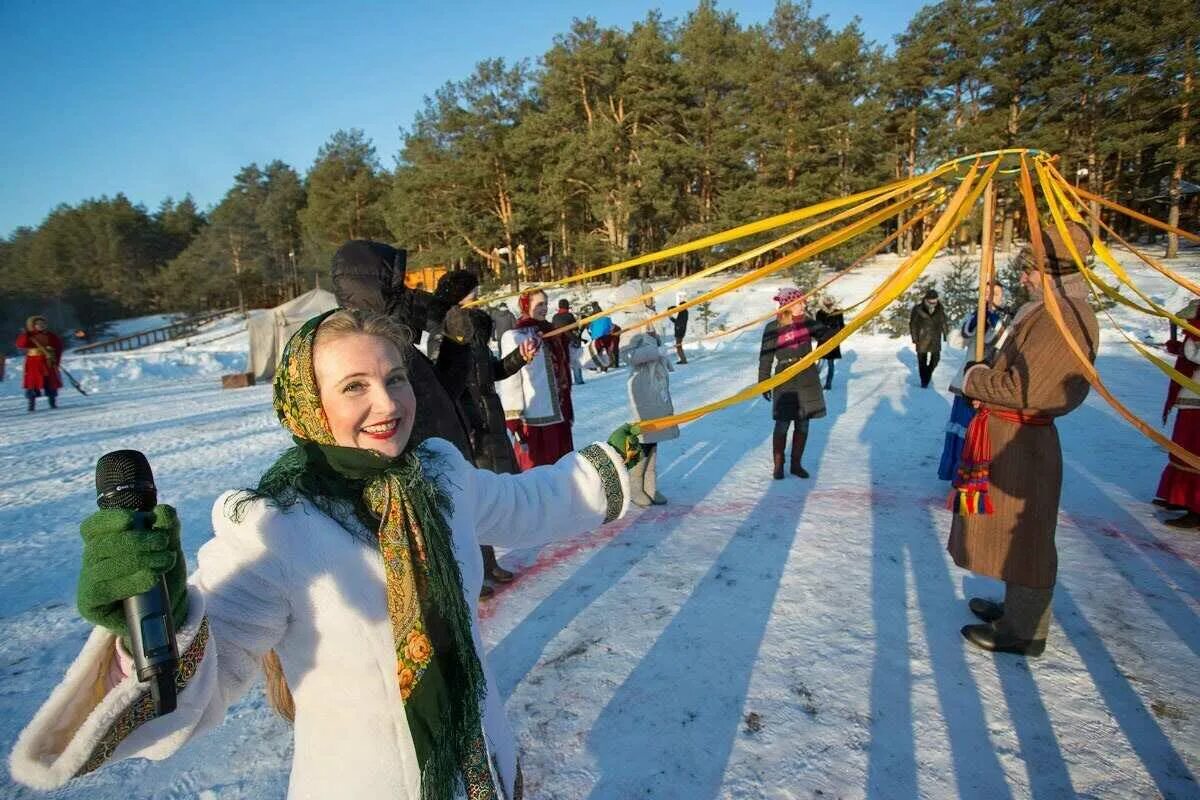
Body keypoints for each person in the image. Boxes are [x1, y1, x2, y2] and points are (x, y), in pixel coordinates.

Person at [10, 308, 640, 798]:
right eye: (355, 387)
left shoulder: (440, 475)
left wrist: (607, 467)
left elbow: (525, 504)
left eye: (395, 378)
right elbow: (199, 688)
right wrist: (148, 620)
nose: (389, 404)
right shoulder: (276, 527)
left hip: (485, 770)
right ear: (309, 405)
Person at [950, 221, 1099, 657]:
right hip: (1010, 438)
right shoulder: (1046, 310)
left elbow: (1031, 392)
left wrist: (977, 377)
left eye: (1029, 271)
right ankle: (1016, 610)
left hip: (1024, 444)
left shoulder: (1065, 317)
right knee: (1011, 532)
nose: (1022, 278)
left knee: (1027, 536)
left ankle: (1024, 632)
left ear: (1051, 271)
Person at [429, 271, 540, 593]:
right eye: (472, 293)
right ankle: (474, 576)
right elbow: (443, 389)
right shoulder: (443, 337)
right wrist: (464, 427)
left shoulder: (473, 333)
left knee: (489, 497)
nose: (479, 297)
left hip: (491, 422)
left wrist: (521, 357)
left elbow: (491, 372)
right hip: (467, 429)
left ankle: (489, 563)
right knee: (471, 504)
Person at [330, 240, 475, 458]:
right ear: (373, 293)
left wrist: (456, 345)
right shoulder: (373, 358)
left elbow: (442, 396)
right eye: (398, 287)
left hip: (450, 469)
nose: (409, 294)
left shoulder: (401, 349)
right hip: (425, 479)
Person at [614, 280, 680, 506]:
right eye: (649, 294)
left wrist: (662, 355)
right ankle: (634, 486)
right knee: (643, 435)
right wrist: (655, 351)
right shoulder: (631, 324)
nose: (653, 296)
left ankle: (650, 486)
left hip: (655, 385)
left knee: (655, 436)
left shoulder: (650, 320)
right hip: (641, 386)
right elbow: (627, 356)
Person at [938, 282, 1010, 481]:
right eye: (986, 293)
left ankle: (977, 476)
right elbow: (958, 340)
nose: (990, 297)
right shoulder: (975, 316)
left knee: (978, 432)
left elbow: (999, 343)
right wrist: (978, 319)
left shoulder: (1005, 319)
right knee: (961, 428)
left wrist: (993, 321)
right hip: (966, 382)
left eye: (994, 294)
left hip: (988, 383)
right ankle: (957, 473)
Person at [498, 289, 576, 469]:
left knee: (563, 471)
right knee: (537, 472)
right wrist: (513, 418)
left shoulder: (553, 334)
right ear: (526, 306)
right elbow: (511, 380)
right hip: (535, 420)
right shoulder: (516, 337)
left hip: (560, 416)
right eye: (539, 304)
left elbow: (570, 364)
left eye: (546, 304)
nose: (544, 308)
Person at [759, 289, 827, 479]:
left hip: (807, 376)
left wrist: (821, 344)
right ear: (788, 306)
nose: (804, 306)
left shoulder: (807, 324)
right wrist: (764, 382)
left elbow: (828, 336)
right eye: (800, 303)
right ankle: (779, 465)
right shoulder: (773, 328)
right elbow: (765, 358)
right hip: (785, 377)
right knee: (782, 423)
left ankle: (796, 464)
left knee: (803, 423)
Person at [1153, 299, 1200, 528]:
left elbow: (1196, 353)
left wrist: (1186, 346)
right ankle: (1180, 497)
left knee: (1193, 451)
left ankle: (1196, 506)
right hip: (1191, 397)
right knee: (1182, 448)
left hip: (1197, 400)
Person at [15, 315, 63, 412]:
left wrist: (55, 360)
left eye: (43, 324)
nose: (41, 326)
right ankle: (31, 404)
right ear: (33, 325)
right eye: (38, 324)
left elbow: (58, 347)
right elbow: (21, 344)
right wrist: (26, 335)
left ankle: (52, 402)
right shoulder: (29, 336)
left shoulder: (50, 335)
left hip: (48, 362)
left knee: (50, 382)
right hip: (34, 363)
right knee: (33, 383)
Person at [910, 288, 949, 388]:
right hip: (922, 338)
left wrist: (945, 334)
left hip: (935, 337)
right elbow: (912, 324)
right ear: (926, 300)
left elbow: (943, 321)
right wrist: (914, 337)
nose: (933, 303)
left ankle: (927, 375)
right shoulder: (918, 309)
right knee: (922, 361)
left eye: (935, 301)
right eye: (931, 301)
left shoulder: (940, 308)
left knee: (936, 359)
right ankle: (924, 381)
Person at [551, 298, 586, 386]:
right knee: (575, 361)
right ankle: (578, 380)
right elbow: (575, 328)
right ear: (567, 306)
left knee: (563, 362)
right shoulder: (569, 315)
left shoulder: (555, 317)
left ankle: (565, 381)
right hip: (570, 340)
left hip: (558, 342)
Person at [814, 296, 845, 390]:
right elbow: (817, 326)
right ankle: (814, 383)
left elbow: (842, 326)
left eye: (830, 302)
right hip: (823, 340)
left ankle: (828, 384)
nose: (828, 303)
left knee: (830, 364)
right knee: (820, 363)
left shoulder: (838, 312)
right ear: (823, 303)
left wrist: (839, 335)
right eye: (826, 302)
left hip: (833, 341)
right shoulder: (820, 313)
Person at [667, 292, 690, 364]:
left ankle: (683, 360)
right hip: (680, 331)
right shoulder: (683, 312)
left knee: (678, 347)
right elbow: (676, 309)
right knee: (678, 347)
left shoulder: (684, 312)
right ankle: (683, 359)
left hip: (680, 332)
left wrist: (671, 317)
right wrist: (670, 316)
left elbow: (679, 322)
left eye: (680, 306)